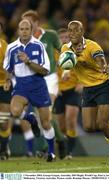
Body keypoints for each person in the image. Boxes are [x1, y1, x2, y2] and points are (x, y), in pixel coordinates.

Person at [60, 20, 109, 164]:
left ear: (82, 32)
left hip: (104, 86)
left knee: (102, 123)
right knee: (89, 126)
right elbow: (67, 64)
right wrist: (72, 62)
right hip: (88, 89)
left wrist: (104, 67)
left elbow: (100, 59)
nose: (72, 33)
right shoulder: (65, 48)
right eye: (70, 30)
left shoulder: (92, 45)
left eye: (76, 30)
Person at [3, 19, 55, 162]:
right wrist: (8, 80)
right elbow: (8, 68)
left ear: (31, 30)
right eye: (21, 29)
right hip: (21, 86)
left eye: (27, 29)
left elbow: (45, 70)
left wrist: (28, 62)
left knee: (45, 123)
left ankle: (51, 152)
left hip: (38, 85)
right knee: (15, 111)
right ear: (18, 30)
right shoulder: (12, 47)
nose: (24, 31)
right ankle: (30, 118)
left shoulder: (39, 46)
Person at [21, 10, 66, 159]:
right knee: (42, 117)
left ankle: (46, 148)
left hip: (50, 78)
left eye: (28, 22)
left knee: (47, 111)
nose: (26, 26)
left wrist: (68, 67)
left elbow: (62, 50)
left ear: (36, 23)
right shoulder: (23, 40)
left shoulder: (51, 35)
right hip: (34, 81)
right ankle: (61, 140)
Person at [53, 28, 82, 159]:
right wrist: (54, 87)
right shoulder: (53, 53)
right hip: (58, 91)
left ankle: (70, 152)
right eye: (62, 38)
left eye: (66, 37)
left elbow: (84, 68)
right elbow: (50, 72)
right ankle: (63, 149)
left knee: (71, 119)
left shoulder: (77, 52)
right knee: (61, 126)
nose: (64, 40)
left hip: (73, 90)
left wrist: (81, 83)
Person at [0, 22, 11, 160]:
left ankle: (3, 148)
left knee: (3, 121)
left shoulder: (6, 47)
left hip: (3, 85)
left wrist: (8, 81)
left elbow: (9, 67)